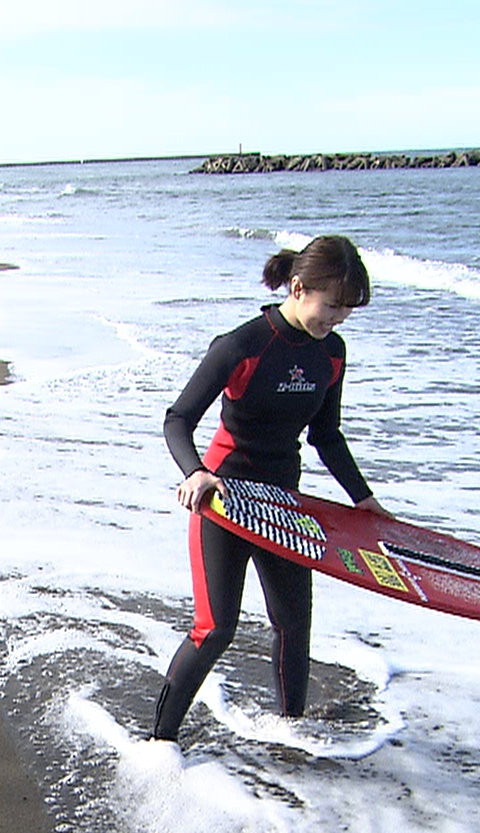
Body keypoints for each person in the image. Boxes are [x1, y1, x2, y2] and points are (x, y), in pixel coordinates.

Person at [153, 235, 391, 741]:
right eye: (331, 307)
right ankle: (159, 744)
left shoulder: (331, 352)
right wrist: (195, 472)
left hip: (283, 502)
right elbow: (178, 420)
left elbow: (326, 434)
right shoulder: (243, 345)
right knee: (215, 629)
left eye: (347, 311)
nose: (338, 320)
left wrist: (363, 499)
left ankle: (292, 736)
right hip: (224, 500)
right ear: (299, 287)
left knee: (292, 623)